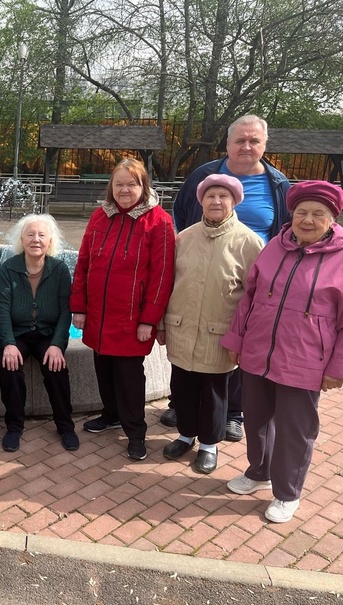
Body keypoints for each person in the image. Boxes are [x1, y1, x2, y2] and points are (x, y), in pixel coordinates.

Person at [221, 181, 343, 523]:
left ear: (332, 219)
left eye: (318, 213)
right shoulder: (275, 245)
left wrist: (337, 368)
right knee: (256, 418)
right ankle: (259, 471)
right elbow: (249, 296)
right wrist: (236, 340)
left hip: (305, 361)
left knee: (295, 429)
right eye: (302, 212)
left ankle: (288, 493)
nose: (308, 220)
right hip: (258, 351)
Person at [165, 115, 291, 440]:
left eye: (254, 141)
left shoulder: (277, 184)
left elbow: (286, 228)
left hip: (251, 274)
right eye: (240, 140)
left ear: (264, 145)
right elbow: (182, 213)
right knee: (196, 335)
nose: (247, 146)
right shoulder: (204, 175)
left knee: (234, 344)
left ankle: (232, 412)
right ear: (228, 143)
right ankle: (182, 409)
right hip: (203, 264)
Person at [70, 158, 175, 461]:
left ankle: (136, 432)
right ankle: (111, 414)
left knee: (129, 379)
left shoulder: (159, 221)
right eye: (119, 184)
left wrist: (149, 320)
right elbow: (84, 263)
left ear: (144, 186)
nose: (124, 190)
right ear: (111, 187)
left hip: (132, 319)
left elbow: (162, 276)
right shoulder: (99, 216)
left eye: (131, 184)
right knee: (103, 369)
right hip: (99, 316)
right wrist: (79, 307)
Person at [157, 175, 263, 474]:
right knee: (182, 387)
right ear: (201, 201)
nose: (216, 201)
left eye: (223, 196)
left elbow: (254, 297)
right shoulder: (184, 238)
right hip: (182, 327)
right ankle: (185, 435)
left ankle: (208, 445)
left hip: (220, 334)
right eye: (210, 196)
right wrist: (162, 323)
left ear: (234, 202)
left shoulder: (249, 242)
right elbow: (167, 283)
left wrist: (243, 337)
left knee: (214, 393)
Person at [0, 214, 78, 453]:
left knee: (56, 367)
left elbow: (65, 312)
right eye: (30, 234)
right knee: (9, 367)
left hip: (46, 334)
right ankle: (14, 426)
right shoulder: (9, 268)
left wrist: (57, 344)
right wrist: (9, 343)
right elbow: (3, 311)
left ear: (50, 240)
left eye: (41, 235)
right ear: (22, 239)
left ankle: (65, 426)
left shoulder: (59, 269)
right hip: (17, 333)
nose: (36, 239)